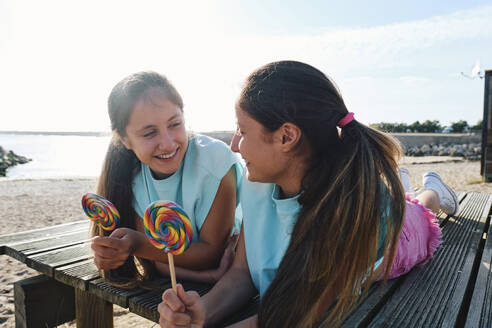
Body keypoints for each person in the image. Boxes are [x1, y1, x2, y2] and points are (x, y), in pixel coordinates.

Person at [157, 61, 459, 327]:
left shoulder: (348, 216)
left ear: (286, 136)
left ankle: (433, 190)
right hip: (373, 205)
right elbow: (242, 272)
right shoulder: (255, 181)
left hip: (397, 237)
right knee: (405, 199)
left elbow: (299, 313)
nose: (234, 145)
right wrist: (202, 314)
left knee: (420, 211)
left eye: (242, 131)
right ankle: (403, 185)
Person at [90, 71, 243, 286]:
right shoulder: (131, 178)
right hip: (189, 278)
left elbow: (212, 252)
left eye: (174, 124)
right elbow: (160, 260)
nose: (168, 143)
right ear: (124, 139)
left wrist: (137, 244)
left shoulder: (216, 162)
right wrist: (114, 251)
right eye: (149, 133)